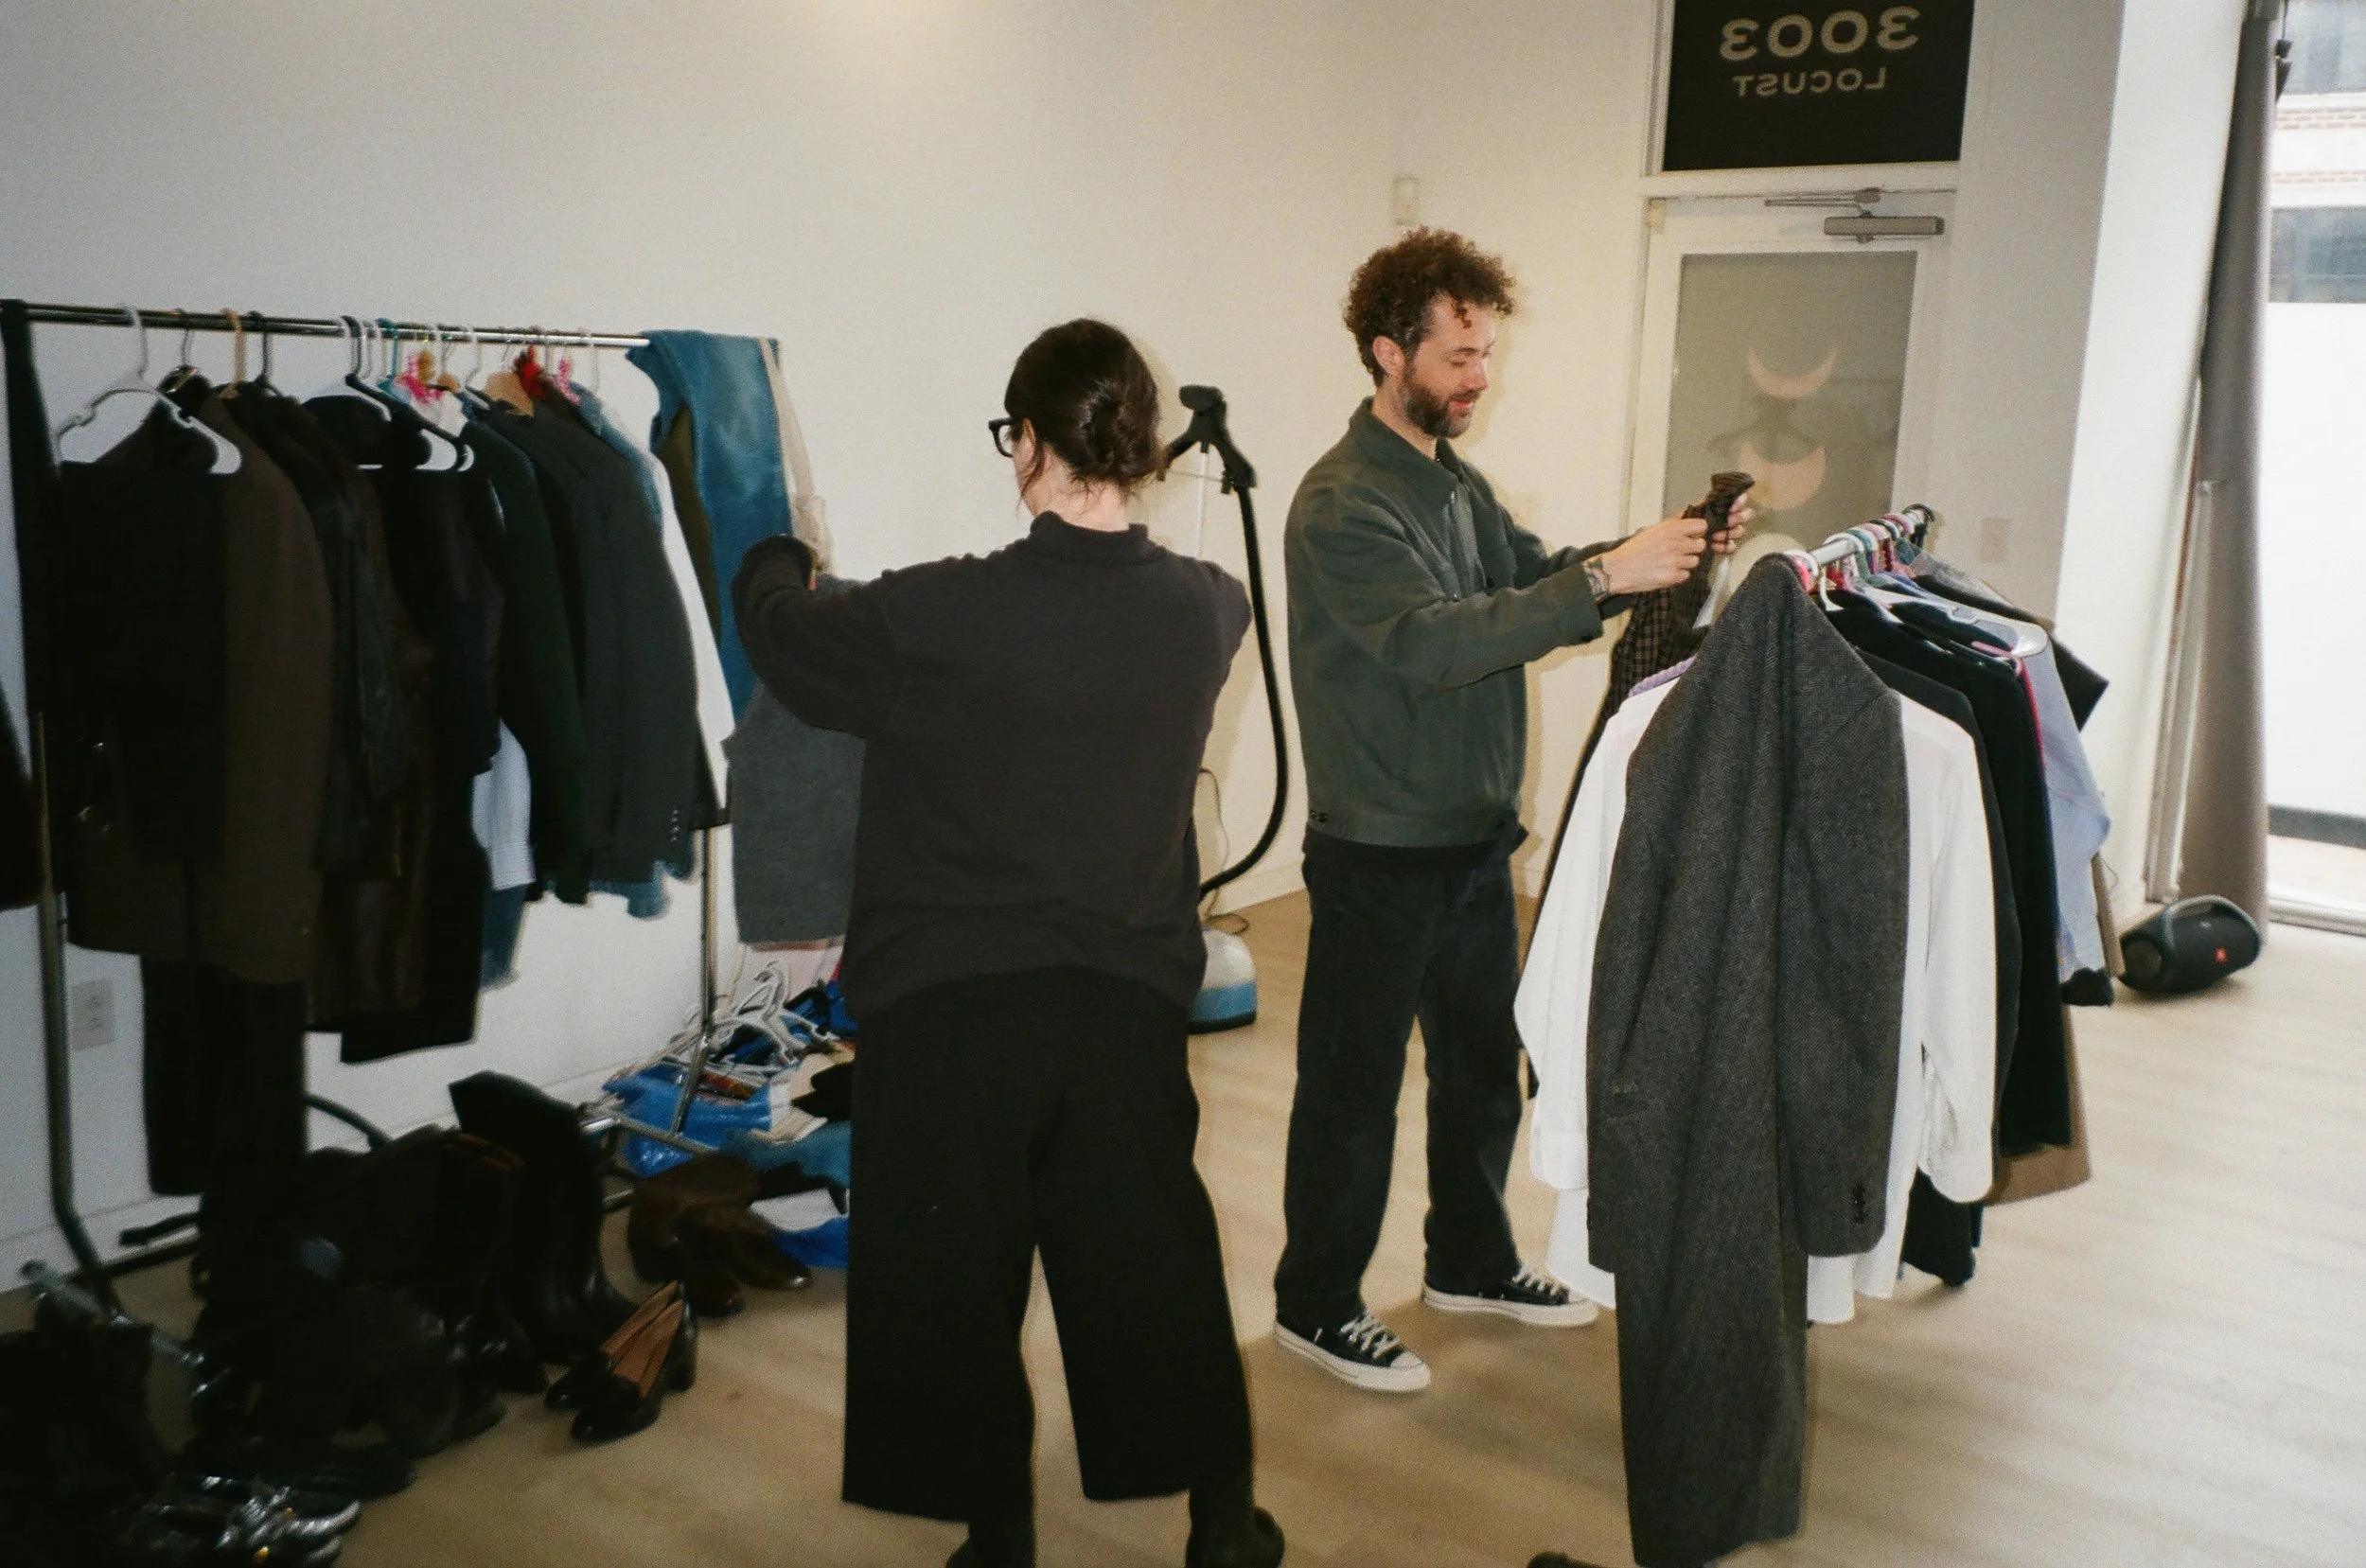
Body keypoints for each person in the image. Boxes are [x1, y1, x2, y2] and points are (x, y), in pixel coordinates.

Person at [733, 320, 1280, 1568]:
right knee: (1156, 1272)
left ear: (1027, 442)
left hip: (951, 1014)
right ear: (1140, 448)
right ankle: (1222, 1528)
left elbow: (788, 645)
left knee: (956, 1288)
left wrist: (774, 555)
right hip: (1121, 1010)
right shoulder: (1209, 609)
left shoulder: (938, 615)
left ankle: (998, 1541)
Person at [1272, 228, 1748, 1393]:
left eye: (1486, 354)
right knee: (1352, 1092)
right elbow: (1434, 644)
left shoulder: (1453, 484)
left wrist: (1661, 554)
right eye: (1459, 356)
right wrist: (1600, 580)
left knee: (1484, 1070)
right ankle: (1314, 1302)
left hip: (1476, 839)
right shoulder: (1340, 504)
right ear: (1389, 353)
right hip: (1379, 849)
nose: (1479, 376)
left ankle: (1469, 1261)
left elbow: (1529, 574)